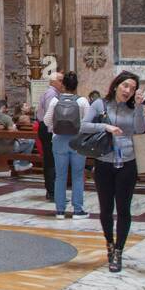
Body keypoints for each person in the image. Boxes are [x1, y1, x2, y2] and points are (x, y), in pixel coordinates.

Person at [83, 71, 145, 273]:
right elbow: (83, 126)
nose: (128, 91)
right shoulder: (100, 105)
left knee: (124, 209)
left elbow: (140, 131)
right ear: (116, 85)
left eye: (132, 88)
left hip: (128, 162)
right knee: (105, 209)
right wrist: (106, 127)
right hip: (104, 161)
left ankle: (119, 250)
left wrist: (138, 107)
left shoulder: (134, 107)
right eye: (125, 86)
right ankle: (109, 244)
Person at [43, 71, 89, 220]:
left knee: (60, 176)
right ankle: (77, 210)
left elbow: (46, 120)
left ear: (63, 85)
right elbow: (88, 123)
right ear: (76, 85)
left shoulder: (55, 101)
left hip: (59, 141)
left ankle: (60, 210)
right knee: (77, 176)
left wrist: (55, 128)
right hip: (77, 141)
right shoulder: (82, 101)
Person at [37, 71, 63, 200]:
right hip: (48, 129)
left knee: (51, 160)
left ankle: (52, 190)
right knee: (51, 161)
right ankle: (52, 191)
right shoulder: (52, 94)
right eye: (60, 80)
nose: (62, 83)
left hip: (47, 128)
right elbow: (50, 115)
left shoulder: (52, 93)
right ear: (53, 81)